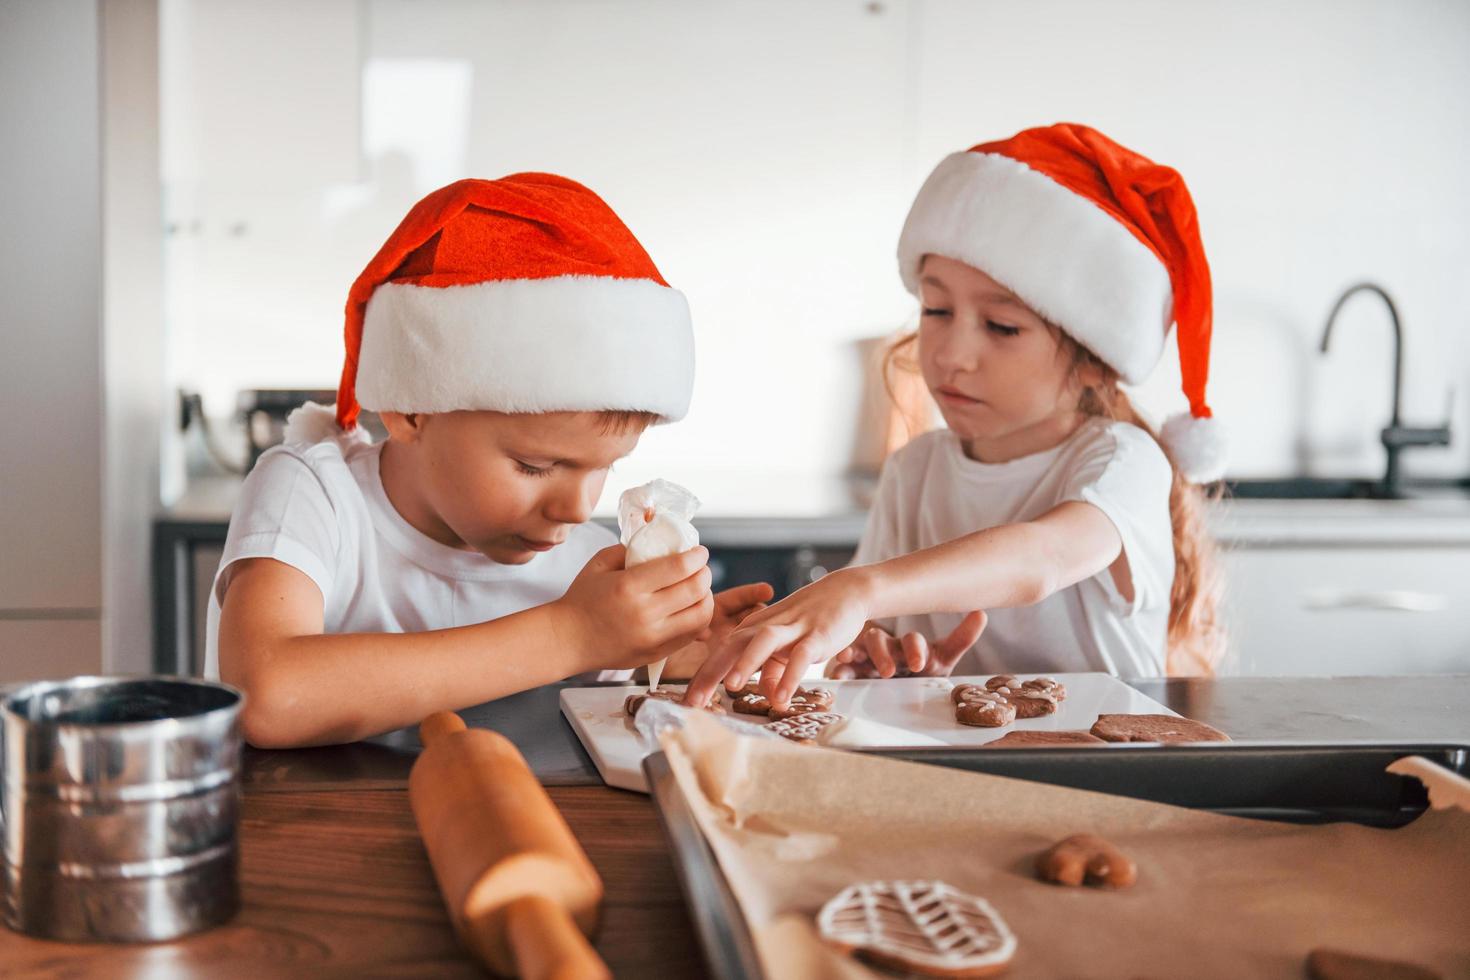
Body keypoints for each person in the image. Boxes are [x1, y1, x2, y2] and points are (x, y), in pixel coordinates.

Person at [207, 174, 771, 747]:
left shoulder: (588, 572)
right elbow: (268, 697)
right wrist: (571, 635)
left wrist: (672, 645)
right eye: (534, 465)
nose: (578, 509)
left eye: (604, 467)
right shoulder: (314, 495)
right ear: (410, 410)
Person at [686, 123, 1226, 710]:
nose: (949, 353)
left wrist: (861, 590)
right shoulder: (914, 472)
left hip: (1107, 780)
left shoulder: (1123, 459)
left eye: (1002, 326)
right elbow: (875, 633)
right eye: (936, 309)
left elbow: (1040, 560)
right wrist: (881, 659)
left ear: (1095, 363)